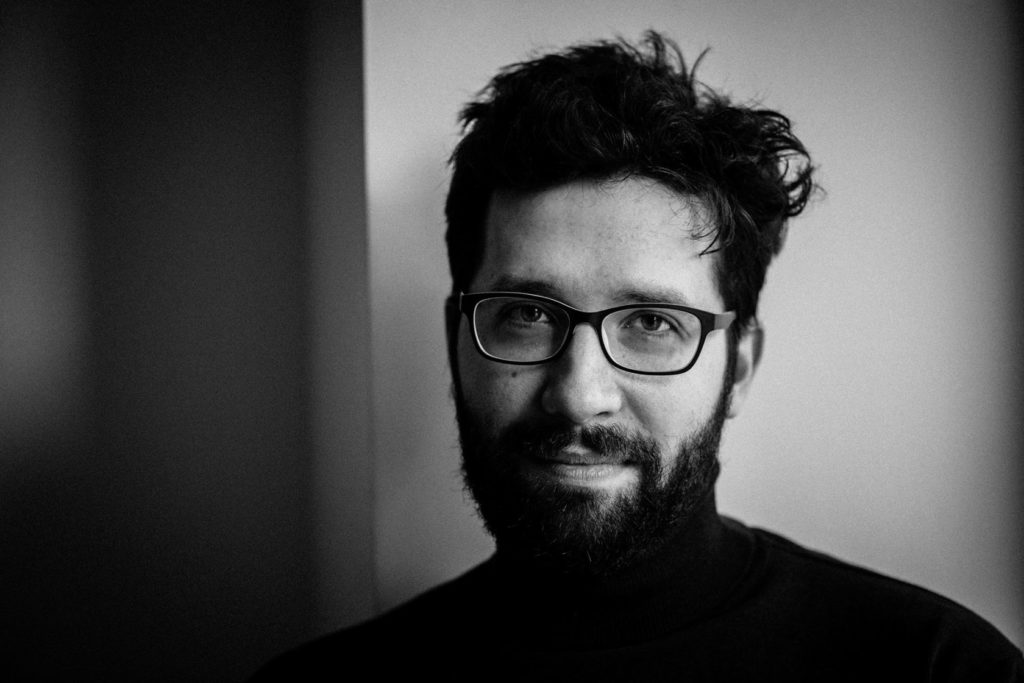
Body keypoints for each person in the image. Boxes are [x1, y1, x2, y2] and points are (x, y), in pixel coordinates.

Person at [253, 31, 1023, 681]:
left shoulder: (937, 671)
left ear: (739, 366)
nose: (578, 392)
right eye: (526, 314)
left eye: (652, 322)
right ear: (456, 339)